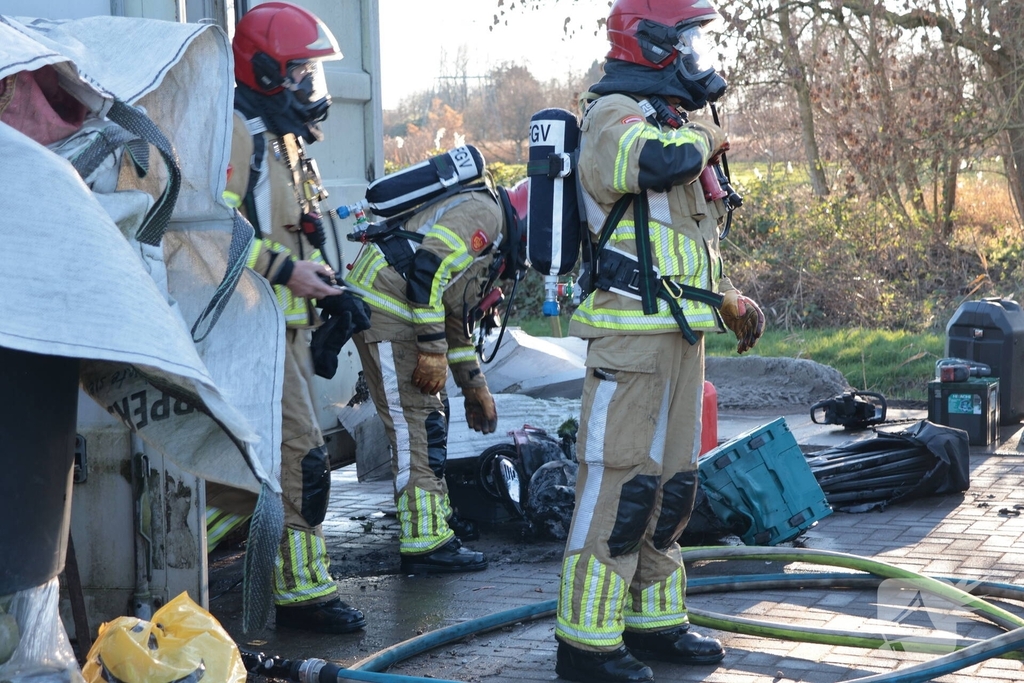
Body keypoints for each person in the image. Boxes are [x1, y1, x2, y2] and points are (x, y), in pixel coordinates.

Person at [553, 1, 765, 681]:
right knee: (619, 487)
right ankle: (585, 645)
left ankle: (654, 624)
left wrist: (726, 297)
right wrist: (705, 141)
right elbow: (649, 163)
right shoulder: (614, 114)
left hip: (680, 337)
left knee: (672, 491)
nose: (701, 54)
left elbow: (685, 245)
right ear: (650, 45)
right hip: (629, 345)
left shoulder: (675, 123)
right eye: (691, 40)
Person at [204, 1, 370, 635]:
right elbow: (215, 231)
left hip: (286, 331)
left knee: (288, 464)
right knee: (301, 461)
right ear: (268, 71)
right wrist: (287, 274)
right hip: (249, 330)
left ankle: (289, 584)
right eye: (302, 73)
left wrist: (332, 292)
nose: (312, 88)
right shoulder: (240, 133)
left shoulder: (284, 137)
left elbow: (299, 234)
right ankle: (300, 599)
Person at [346, 174, 529, 574]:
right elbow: (427, 269)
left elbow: (452, 311)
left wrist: (473, 384)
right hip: (387, 309)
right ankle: (424, 541)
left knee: (430, 420)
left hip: (401, 310)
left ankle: (435, 522)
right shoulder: (487, 215)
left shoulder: (493, 238)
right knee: (415, 425)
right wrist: (431, 350)